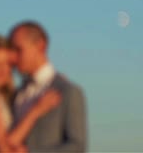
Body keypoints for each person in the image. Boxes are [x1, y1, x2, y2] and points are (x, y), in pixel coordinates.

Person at [8, 21, 88, 152]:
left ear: (40, 46)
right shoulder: (16, 94)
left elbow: (77, 147)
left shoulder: (68, 91)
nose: (13, 58)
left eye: (18, 49)